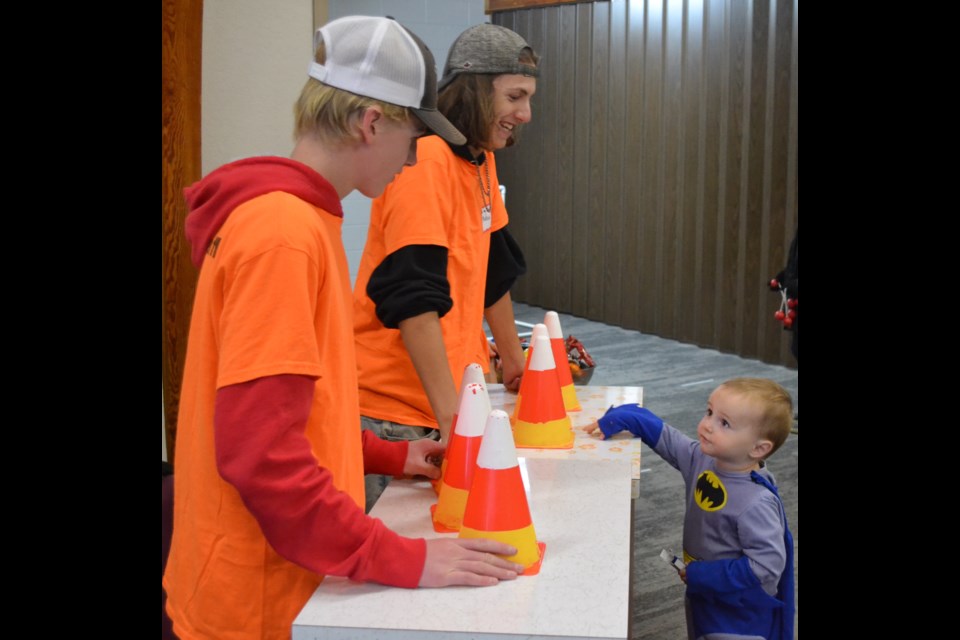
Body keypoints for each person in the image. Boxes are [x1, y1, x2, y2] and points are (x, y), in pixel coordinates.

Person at [163, 16, 524, 640]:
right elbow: (261, 457)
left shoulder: (302, 221)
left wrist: (390, 454)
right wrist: (399, 556)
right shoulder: (283, 237)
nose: (415, 158)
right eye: (413, 138)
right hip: (258, 600)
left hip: (287, 582)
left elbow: (295, 412)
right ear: (371, 122)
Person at [353, 24, 538, 510]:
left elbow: (493, 269)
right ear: (475, 91)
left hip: (445, 400)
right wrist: (457, 423)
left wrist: (515, 361)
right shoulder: (427, 162)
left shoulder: (479, 159)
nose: (526, 113)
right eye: (514, 97)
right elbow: (414, 302)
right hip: (395, 412)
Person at [586, 378, 795, 640]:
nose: (707, 425)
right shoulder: (705, 460)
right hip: (706, 591)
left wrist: (702, 574)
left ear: (758, 448)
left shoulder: (756, 502)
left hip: (740, 610)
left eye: (724, 423)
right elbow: (667, 439)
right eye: (709, 412)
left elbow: (766, 565)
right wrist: (626, 416)